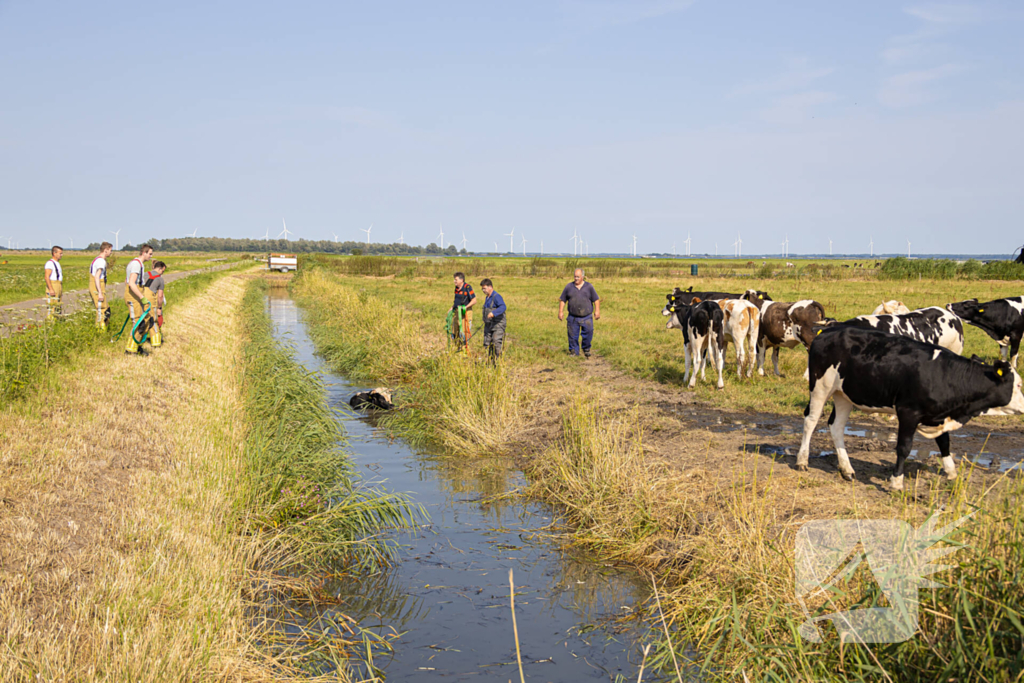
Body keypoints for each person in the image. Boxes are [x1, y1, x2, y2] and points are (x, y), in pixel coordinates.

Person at [557, 268, 600, 358]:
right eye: (575, 276)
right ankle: (574, 352)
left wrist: (597, 311)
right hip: (573, 317)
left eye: (578, 277)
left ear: (583, 277)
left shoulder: (589, 287)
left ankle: (586, 349)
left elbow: (596, 300)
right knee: (572, 335)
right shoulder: (569, 287)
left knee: (588, 333)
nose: (576, 278)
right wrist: (560, 311)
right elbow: (563, 300)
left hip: (586, 316)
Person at [124, 244, 154, 355]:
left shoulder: (137, 264)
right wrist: (141, 297)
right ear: (144, 253)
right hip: (134, 297)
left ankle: (138, 346)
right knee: (138, 323)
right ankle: (130, 350)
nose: (151, 256)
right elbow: (131, 283)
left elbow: (126, 280)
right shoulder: (136, 264)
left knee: (146, 320)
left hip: (137, 296)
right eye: (150, 254)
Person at [480, 278, 506, 362]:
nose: (483, 290)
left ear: (490, 287)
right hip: (489, 324)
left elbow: (503, 307)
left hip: (498, 324)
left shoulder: (496, 296)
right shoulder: (487, 298)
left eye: (484, 288)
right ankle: (490, 361)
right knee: (488, 343)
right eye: (482, 289)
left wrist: (493, 313)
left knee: (496, 341)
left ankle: (498, 362)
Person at [142, 261, 167, 346]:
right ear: (160, 268)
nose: (162, 273)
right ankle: (156, 342)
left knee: (142, 320)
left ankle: (140, 340)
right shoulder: (160, 279)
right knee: (153, 321)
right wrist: (159, 308)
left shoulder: (144, 274)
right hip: (151, 302)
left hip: (141, 299)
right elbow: (160, 296)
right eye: (162, 271)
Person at [451, 272, 477, 355]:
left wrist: (466, 307)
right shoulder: (456, 288)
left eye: (456, 280)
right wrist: (452, 308)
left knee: (464, 332)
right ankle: (457, 349)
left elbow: (474, 300)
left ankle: (465, 351)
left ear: (461, 280)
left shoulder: (468, 288)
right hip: (457, 312)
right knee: (455, 331)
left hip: (465, 312)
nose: (454, 281)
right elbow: (456, 300)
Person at [89, 242, 113, 329]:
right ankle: (100, 329)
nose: (111, 252)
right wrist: (99, 292)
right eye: (110, 250)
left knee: (106, 309)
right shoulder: (101, 261)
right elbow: (97, 277)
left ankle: (103, 327)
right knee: (101, 309)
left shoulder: (97, 259)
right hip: (97, 287)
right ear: (105, 250)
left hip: (98, 286)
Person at [44, 246, 64, 319]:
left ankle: (57, 320)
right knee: (52, 306)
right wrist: (51, 289)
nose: (61, 255)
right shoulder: (50, 263)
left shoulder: (57, 263)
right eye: (60, 253)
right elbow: (47, 277)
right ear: (54, 253)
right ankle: (50, 321)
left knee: (58, 305)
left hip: (59, 284)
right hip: (53, 284)